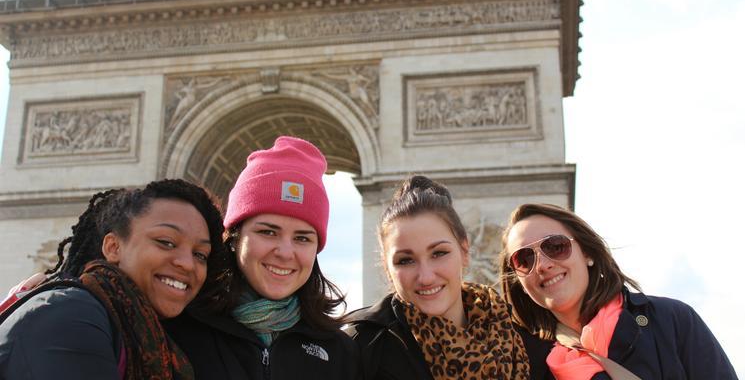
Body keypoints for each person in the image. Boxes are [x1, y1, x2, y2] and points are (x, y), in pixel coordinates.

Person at [164, 136, 359, 380]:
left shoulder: (342, 352)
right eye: (268, 232)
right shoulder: (176, 332)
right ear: (234, 237)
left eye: (302, 238)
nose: (285, 252)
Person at [0, 179, 227, 379]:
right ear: (113, 247)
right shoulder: (69, 315)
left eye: (200, 255)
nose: (187, 264)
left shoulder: (148, 337)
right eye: (166, 242)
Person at [345, 175, 553, 380]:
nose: (426, 277)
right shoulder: (358, 351)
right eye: (405, 260)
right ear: (386, 266)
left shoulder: (532, 345)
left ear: (465, 250)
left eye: (439, 253)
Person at [500, 203, 738, 379]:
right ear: (518, 281)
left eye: (555, 246)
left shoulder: (672, 320)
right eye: (524, 259)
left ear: (587, 253)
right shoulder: (520, 362)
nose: (543, 265)